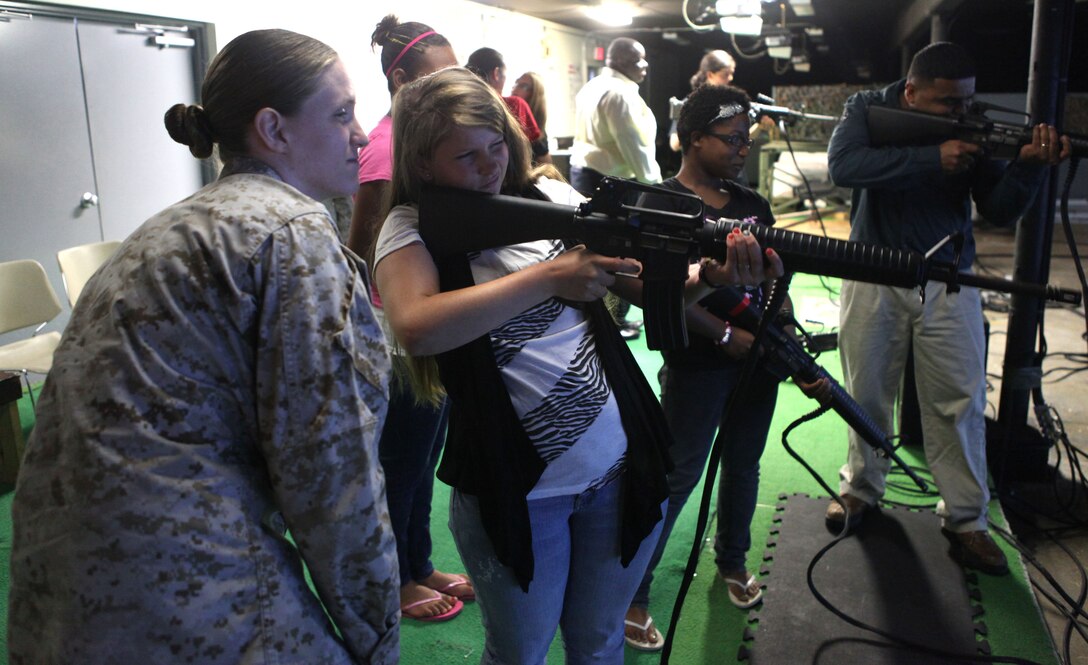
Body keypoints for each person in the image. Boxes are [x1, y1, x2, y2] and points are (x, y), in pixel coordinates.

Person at [8, 29, 399, 664]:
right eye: (341, 112)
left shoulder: (167, 227)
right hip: (185, 593)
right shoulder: (293, 235)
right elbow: (333, 477)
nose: (360, 134)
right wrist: (378, 642)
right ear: (273, 129)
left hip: (63, 593)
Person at [373, 66, 779, 664]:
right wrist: (550, 276)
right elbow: (415, 327)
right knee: (522, 653)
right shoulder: (410, 228)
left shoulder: (553, 198)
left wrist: (710, 279)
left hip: (617, 469)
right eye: (466, 156)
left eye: (496, 146)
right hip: (516, 490)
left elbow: (646, 293)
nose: (489, 165)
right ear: (423, 165)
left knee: (598, 642)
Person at [826, 41, 1071, 575]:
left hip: (949, 279)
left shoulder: (971, 124)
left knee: (960, 402)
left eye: (966, 102)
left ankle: (966, 521)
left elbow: (1000, 209)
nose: (961, 114)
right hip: (873, 275)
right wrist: (930, 157)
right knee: (866, 392)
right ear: (910, 93)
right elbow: (844, 165)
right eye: (947, 104)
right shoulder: (868, 108)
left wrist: (1029, 167)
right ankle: (861, 491)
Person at [623, 85, 830, 651]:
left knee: (744, 465)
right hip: (696, 368)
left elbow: (768, 283)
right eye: (731, 139)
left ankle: (732, 560)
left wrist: (778, 328)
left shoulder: (750, 204)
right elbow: (651, 295)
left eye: (748, 138)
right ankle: (633, 593)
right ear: (693, 139)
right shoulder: (659, 204)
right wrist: (721, 333)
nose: (743, 149)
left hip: (756, 366)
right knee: (678, 477)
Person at [346, 14, 471, 624]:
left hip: (433, 319)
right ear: (401, 81)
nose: (455, 89)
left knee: (426, 451)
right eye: (439, 77)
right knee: (402, 456)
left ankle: (418, 563)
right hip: (396, 330)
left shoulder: (425, 138)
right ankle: (394, 579)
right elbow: (362, 242)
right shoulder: (389, 143)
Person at [569, 37, 661, 194]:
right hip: (609, 182)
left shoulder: (592, 85)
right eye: (639, 59)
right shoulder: (619, 93)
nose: (645, 64)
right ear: (620, 61)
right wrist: (654, 183)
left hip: (582, 175)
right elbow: (631, 142)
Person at [466, 47, 542, 147]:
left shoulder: (462, 107)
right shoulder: (515, 104)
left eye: (523, 86)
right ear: (496, 73)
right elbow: (541, 152)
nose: (514, 88)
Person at [512, 71, 552, 164]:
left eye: (524, 86)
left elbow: (546, 164)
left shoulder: (537, 129)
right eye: (516, 83)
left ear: (535, 94)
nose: (516, 87)